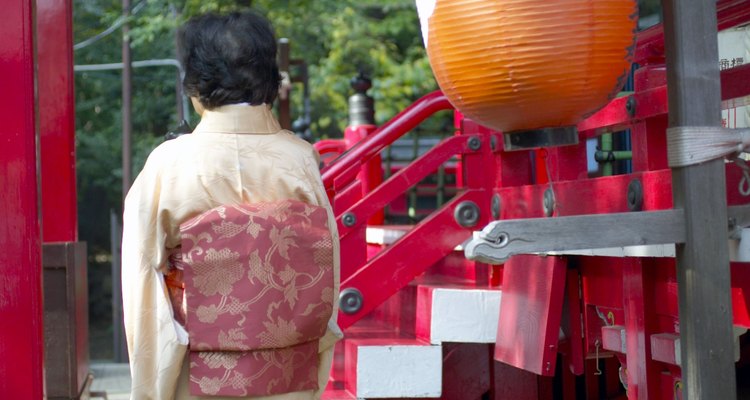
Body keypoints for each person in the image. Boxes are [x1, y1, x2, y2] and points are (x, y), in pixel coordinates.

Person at [121, 11, 342, 400]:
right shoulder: (301, 159)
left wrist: (153, 385)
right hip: (286, 373)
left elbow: (142, 280)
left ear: (194, 83)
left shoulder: (169, 164)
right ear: (270, 80)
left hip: (197, 371)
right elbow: (326, 275)